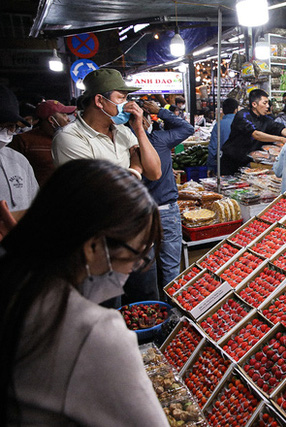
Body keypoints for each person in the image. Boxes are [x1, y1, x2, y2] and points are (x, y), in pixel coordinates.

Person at [0, 159, 168, 426]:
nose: (133, 269)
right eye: (135, 256)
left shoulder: (15, 281)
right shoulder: (93, 331)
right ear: (92, 247)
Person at [123, 101, 194, 302]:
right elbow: (187, 128)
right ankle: (172, 311)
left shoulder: (121, 144)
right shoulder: (158, 139)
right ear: (144, 121)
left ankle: (155, 309)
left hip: (138, 214)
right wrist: (160, 111)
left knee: (147, 270)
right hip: (165, 211)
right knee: (171, 267)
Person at [52, 68, 162, 180]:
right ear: (99, 101)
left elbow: (155, 173)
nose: (128, 104)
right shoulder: (70, 137)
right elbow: (98, 188)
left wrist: (139, 130)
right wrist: (135, 169)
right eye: (121, 98)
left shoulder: (122, 131)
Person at [220, 89, 286, 175]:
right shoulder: (243, 115)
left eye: (268, 103)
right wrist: (281, 139)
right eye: (264, 103)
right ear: (254, 104)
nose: (267, 106)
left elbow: (281, 129)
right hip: (231, 161)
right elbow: (256, 134)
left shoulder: (265, 119)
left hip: (248, 162)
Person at [9, 100, 76, 184]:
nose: (68, 119)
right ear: (51, 120)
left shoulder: (71, 139)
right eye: (64, 115)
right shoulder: (23, 141)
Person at [0, 85, 39, 219]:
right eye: (1, 125)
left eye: (10, 126)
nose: (5, 132)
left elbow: (36, 206)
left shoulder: (18, 160)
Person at [207, 98, 239, 172]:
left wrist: (211, 165)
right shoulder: (243, 123)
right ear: (236, 110)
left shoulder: (218, 125)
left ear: (223, 111)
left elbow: (213, 147)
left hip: (224, 162)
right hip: (242, 162)